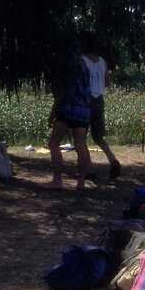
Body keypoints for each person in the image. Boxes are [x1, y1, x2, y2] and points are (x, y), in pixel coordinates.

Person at [41, 54, 92, 190]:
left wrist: (52, 113)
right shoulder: (84, 68)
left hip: (67, 109)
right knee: (80, 145)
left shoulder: (63, 67)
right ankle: (81, 182)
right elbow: (88, 93)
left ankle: (57, 181)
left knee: (53, 143)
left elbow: (61, 93)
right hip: (83, 110)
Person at [78, 31, 120, 180]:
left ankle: (89, 167)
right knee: (98, 136)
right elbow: (107, 82)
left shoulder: (81, 60)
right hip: (99, 100)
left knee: (80, 137)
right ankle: (112, 158)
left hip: (85, 100)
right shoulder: (102, 61)